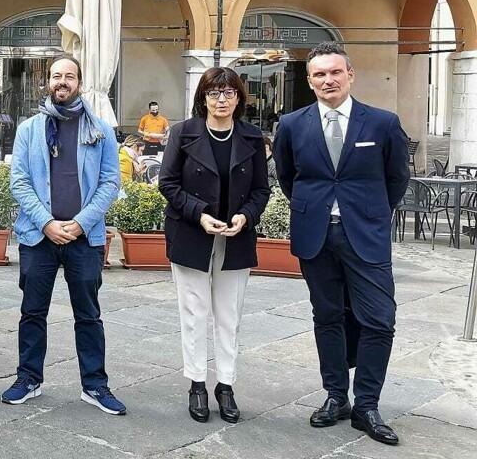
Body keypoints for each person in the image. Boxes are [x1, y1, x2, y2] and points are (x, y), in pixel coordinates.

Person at [273, 42, 409, 446]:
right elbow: (288, 177)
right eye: (319, 74)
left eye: (335, 72)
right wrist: (315, 209)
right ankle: (336, 396)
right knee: (327, 316)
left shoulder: (382, 123)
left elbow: (397, 178)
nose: (328, 80)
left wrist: (369, 214)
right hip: (315, 234)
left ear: (350, 74)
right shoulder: (292, 124)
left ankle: (367, 404)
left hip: (365, 234)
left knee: (379, 319)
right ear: (310, 80)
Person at [0, 55, 126, 415]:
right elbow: (19, 182)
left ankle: (95, 385)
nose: (62, 82)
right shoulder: (29, 130)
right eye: (57, 75)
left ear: (79, 83)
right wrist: (46, 223)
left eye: (70, 76)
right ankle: (28, 378)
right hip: (38, 236)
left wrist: (81, 222)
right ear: (48, 81)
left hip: (84, 238)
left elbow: (110, 183)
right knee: (32, 312)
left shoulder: (100, 130)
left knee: (88, 314)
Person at [158, 67, 270, 424]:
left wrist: (246, 216)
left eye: (229, 93)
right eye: (214, 93)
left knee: (229, 315)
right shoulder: (183, 132)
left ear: (239, 98)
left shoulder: (252, 137)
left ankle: (226, 384)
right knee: (194, 313)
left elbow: (261, 190)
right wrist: (200, 214)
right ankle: (196, 383)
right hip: (192, 233)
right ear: (203, 97)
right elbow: (168, 183)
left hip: (235, 237)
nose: (222, 100)